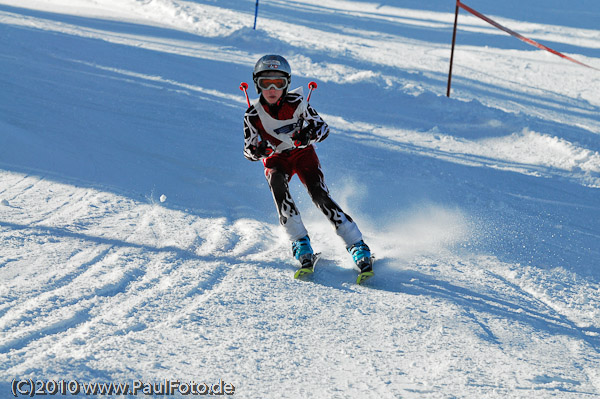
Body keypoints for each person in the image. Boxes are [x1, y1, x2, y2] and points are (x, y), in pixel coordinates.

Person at [242, 54, 373, 277]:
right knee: (278, 186)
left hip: (302, 155)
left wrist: (308, 135)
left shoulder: (298, 104)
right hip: (276, 159)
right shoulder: (252, 115)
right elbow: (248, 149)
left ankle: (356, 243)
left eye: (279, 83)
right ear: (257, 85)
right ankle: (300, 241)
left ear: (287, 85)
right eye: (266, 83)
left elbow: (324, 129)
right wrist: (257, 151)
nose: (272, 89)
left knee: (319, 194)